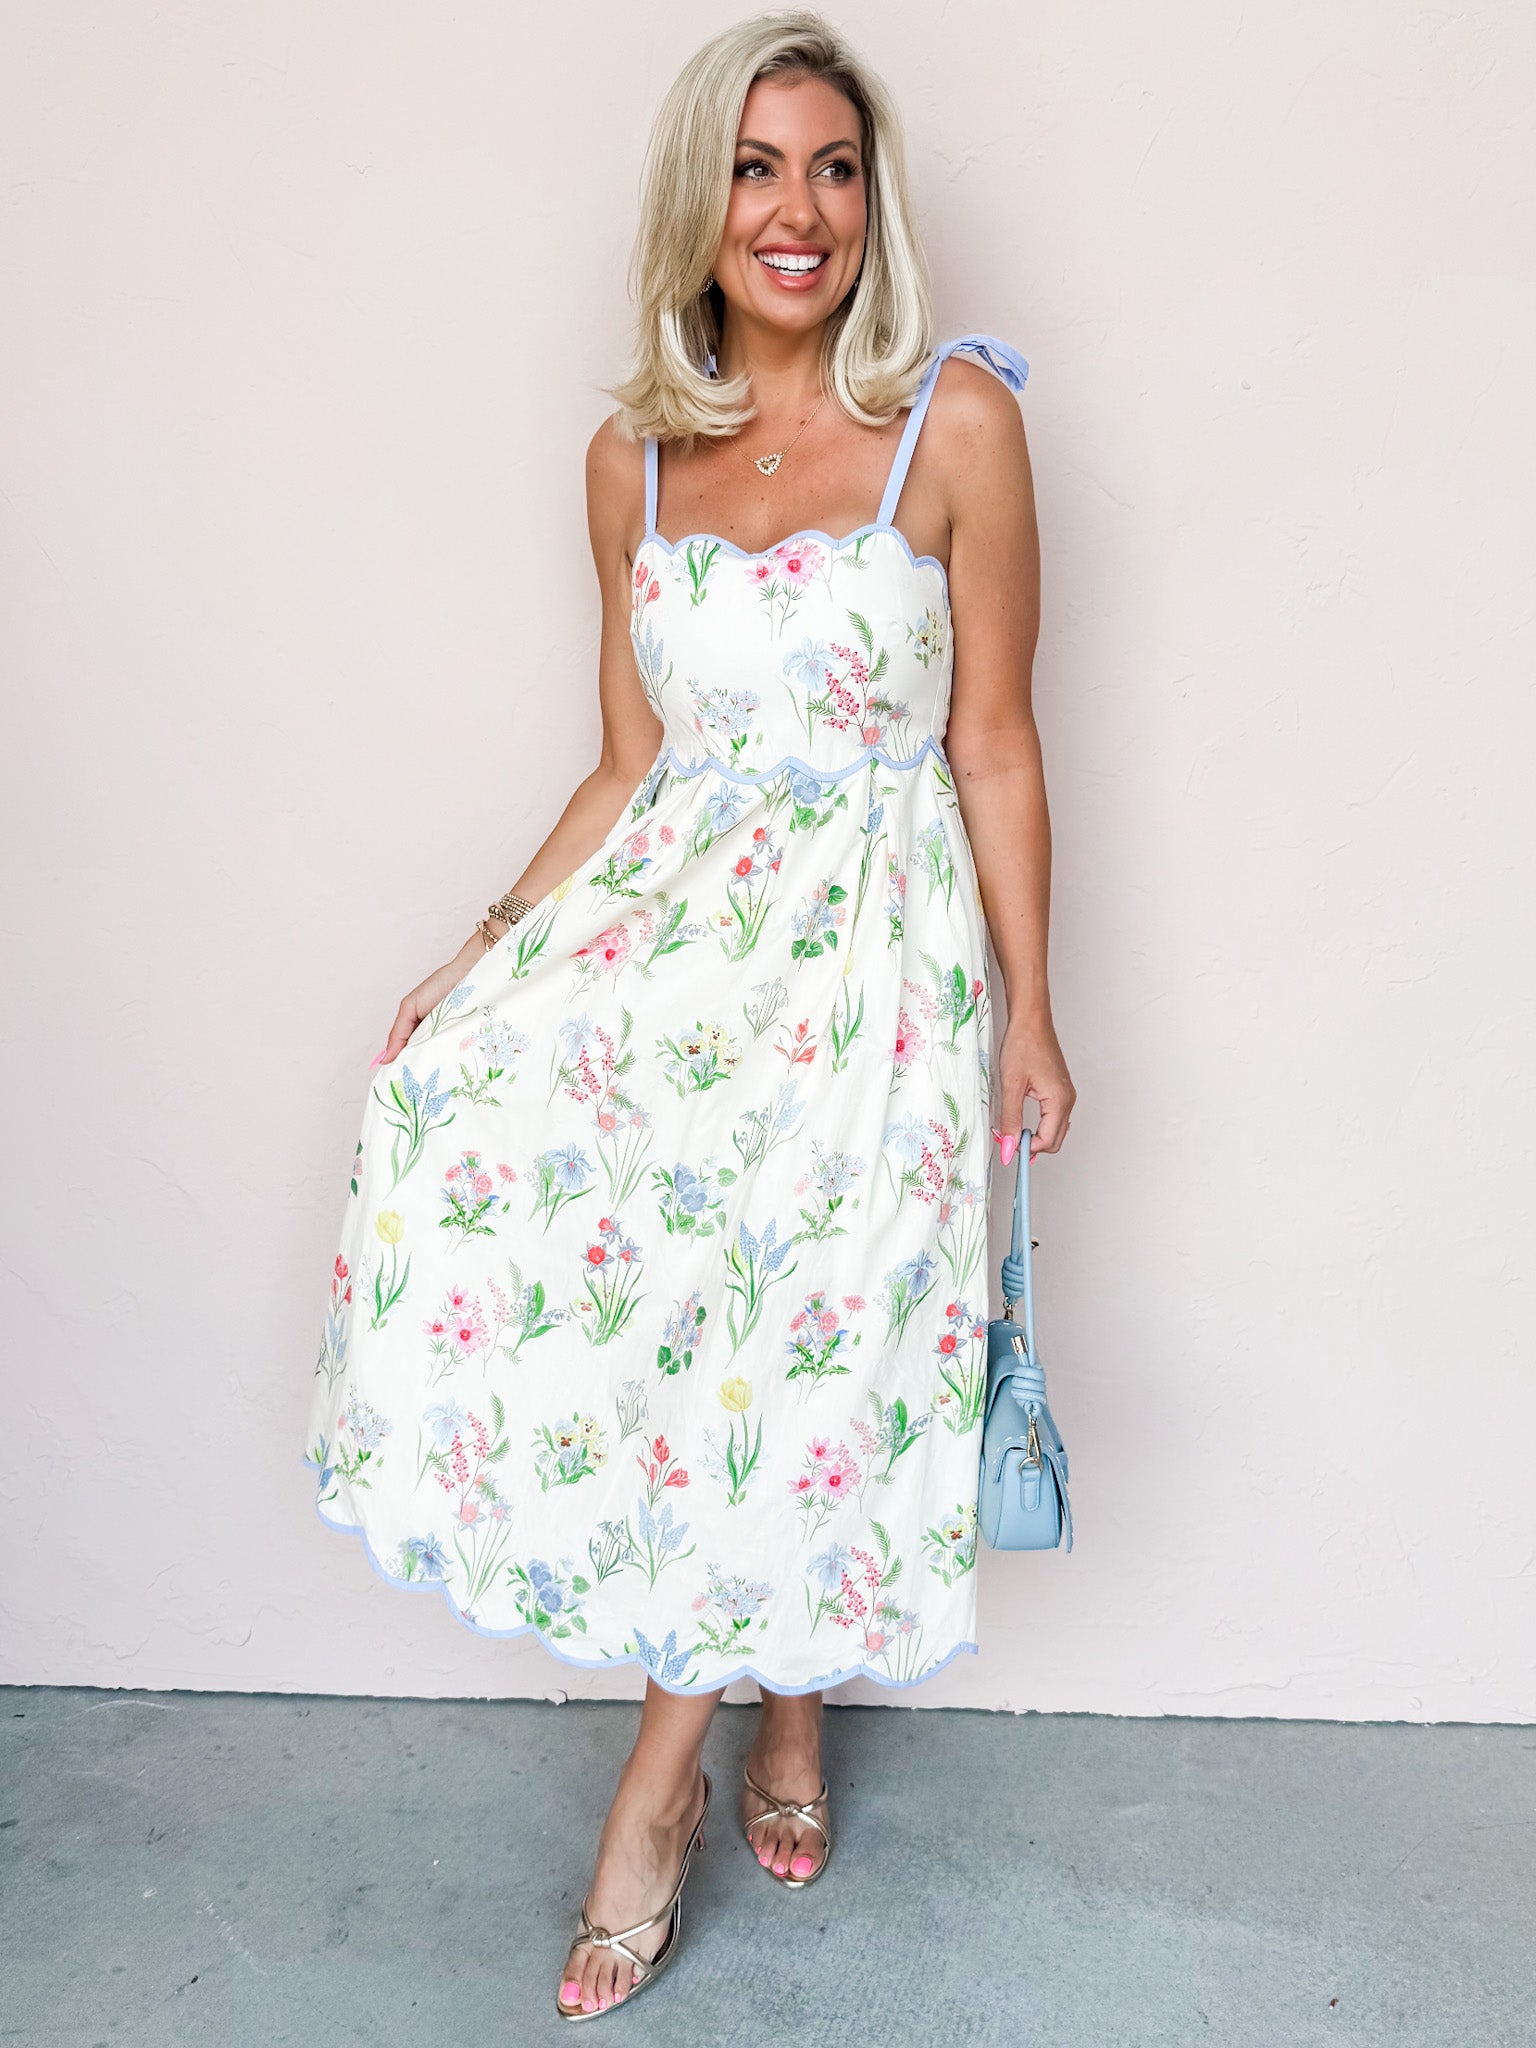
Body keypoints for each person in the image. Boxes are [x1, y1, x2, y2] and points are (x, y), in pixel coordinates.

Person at [303, 9, 1075, 2022]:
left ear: (871, 203)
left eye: (832, 167)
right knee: (704, 1325)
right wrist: (481, 950)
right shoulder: (627, 462)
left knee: (815, 1322)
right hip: (682, 961)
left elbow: (995, 744)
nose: (796, 209)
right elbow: (629, 765)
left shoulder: (959, 428)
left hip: (877, 964)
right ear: (698, 205)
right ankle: (785, 1710)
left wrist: (1032, 1010)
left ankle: (659, 1792)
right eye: (754, 166)